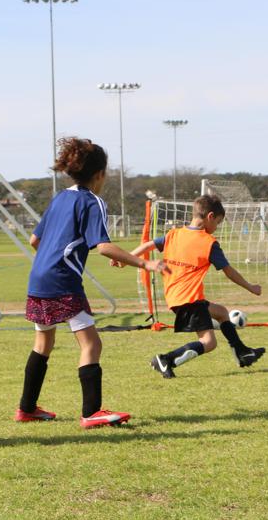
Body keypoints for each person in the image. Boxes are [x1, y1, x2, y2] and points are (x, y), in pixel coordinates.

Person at [16, 137, 166, 428]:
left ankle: (27, 408)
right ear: (100, 174)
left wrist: (53, 259)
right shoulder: (92, 201)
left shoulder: (59, 198)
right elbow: (104, 247)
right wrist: (145, 262)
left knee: (43, 342)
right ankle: (91, 412)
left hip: (39, 278)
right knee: (91, 343)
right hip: (62, 282)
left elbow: (35, 239)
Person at [131, 195, 266, 378]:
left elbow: (149, 244)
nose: (216, 228)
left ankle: (242, 353)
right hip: (189, 299)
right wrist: (251, 287)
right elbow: (229, 272)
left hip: (176, 297)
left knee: (221, 312)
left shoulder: (174, 234)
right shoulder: (208, 243)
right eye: (217, 222)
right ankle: (165, 360)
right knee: (209, 342)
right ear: (210, 216)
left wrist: (125, 259)